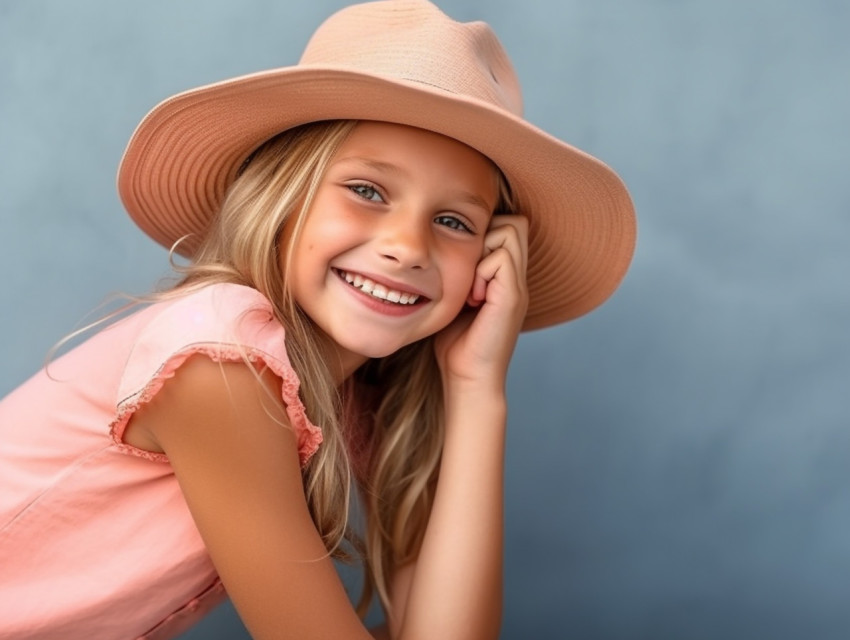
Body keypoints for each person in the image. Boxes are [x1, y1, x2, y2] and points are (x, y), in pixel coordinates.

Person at [0, 1, 635, 638]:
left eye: (453, 222)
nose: (410, 248)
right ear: (283, 194)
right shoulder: (223, 359)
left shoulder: (353, 391)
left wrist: (476, 387)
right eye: (367, 191)